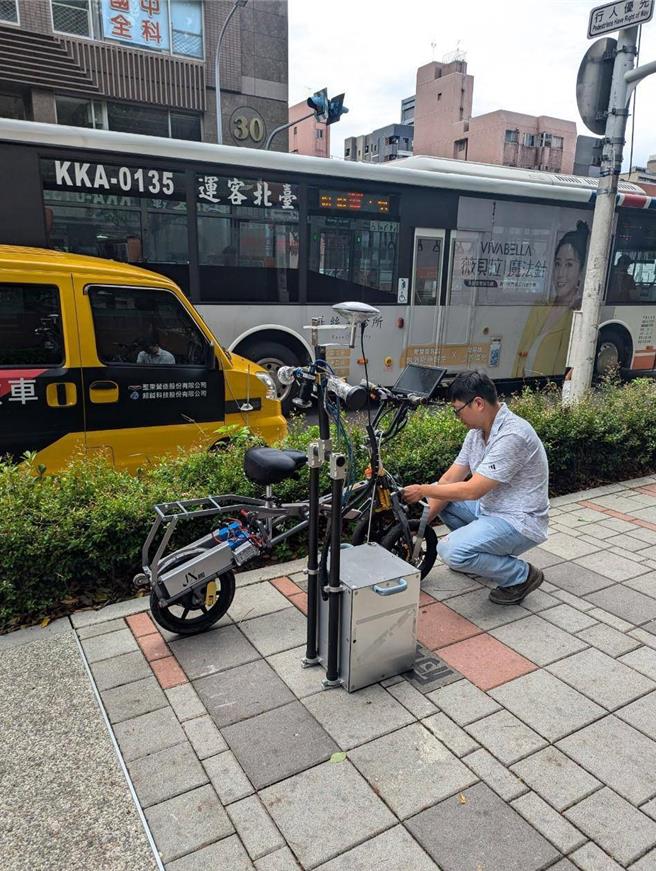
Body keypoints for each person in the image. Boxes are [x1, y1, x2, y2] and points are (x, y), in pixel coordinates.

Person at [403, 370, 549, 605]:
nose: (457, 417)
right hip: (489, 510)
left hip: (520, 521)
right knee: (439, 491)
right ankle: (479, 557)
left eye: (458, 411)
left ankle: (522, 576)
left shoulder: (513, 435)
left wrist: (421, 490)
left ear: (478, 403)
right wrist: (417, 534)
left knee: (451, 551)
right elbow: (449, 480)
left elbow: (472, 490)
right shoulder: (476, 434)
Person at [512, 221, 590, 378]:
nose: (560, 273)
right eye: (557, 264)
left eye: (569, 265)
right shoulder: (540, 307)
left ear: (581, 271)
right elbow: (519, 358)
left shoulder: (579, 314)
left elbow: (566, 371)